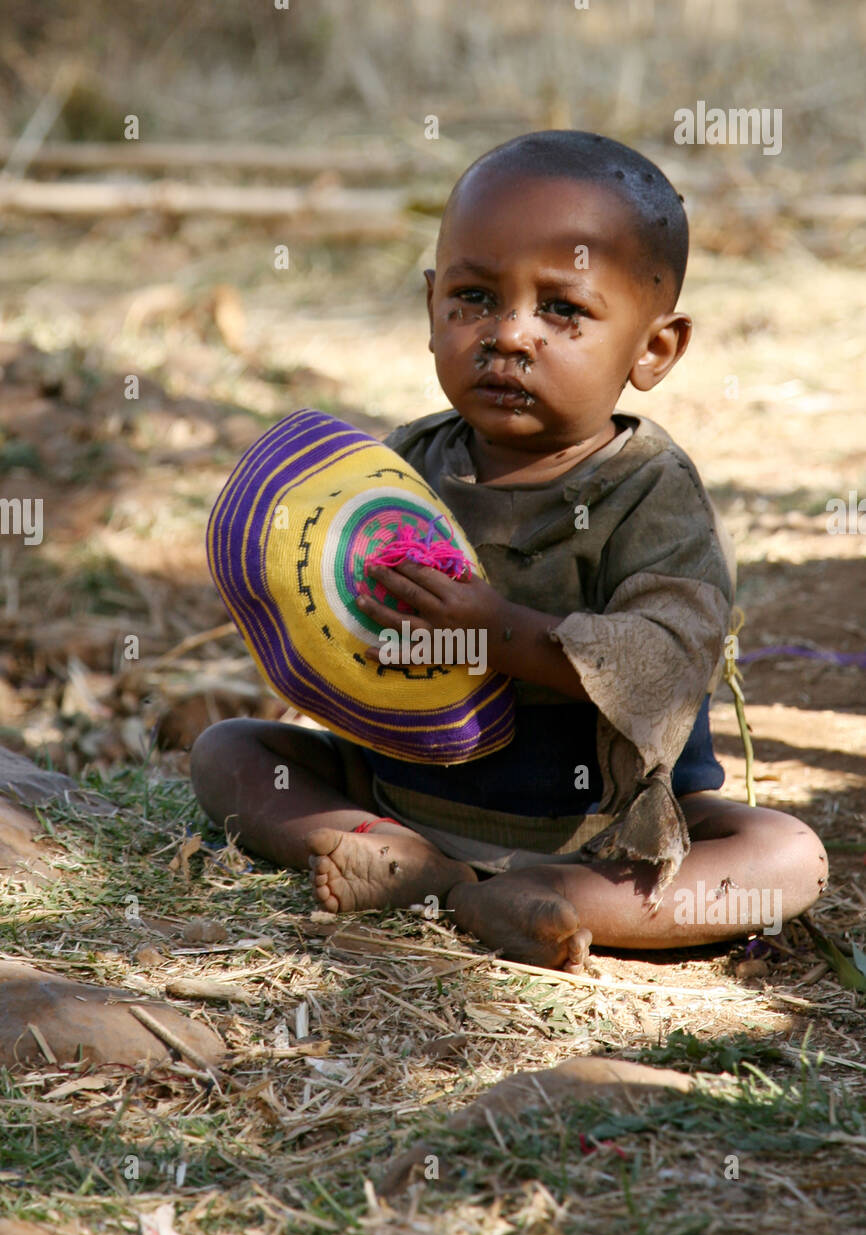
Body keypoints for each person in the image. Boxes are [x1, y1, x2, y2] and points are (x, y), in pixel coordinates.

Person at [191, 131, 827, 972]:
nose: (510, 336)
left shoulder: (651, 493)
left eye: (562, 308)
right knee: (228, 752)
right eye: (473, 298)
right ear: (431, 311)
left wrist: (502, 633)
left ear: (654, 348)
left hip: (603, 832)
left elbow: (669, 661)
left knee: (784, 854)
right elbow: (324, 589)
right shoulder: (401, 468)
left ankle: (562, 902)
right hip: (406, 790)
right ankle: (417, 869)